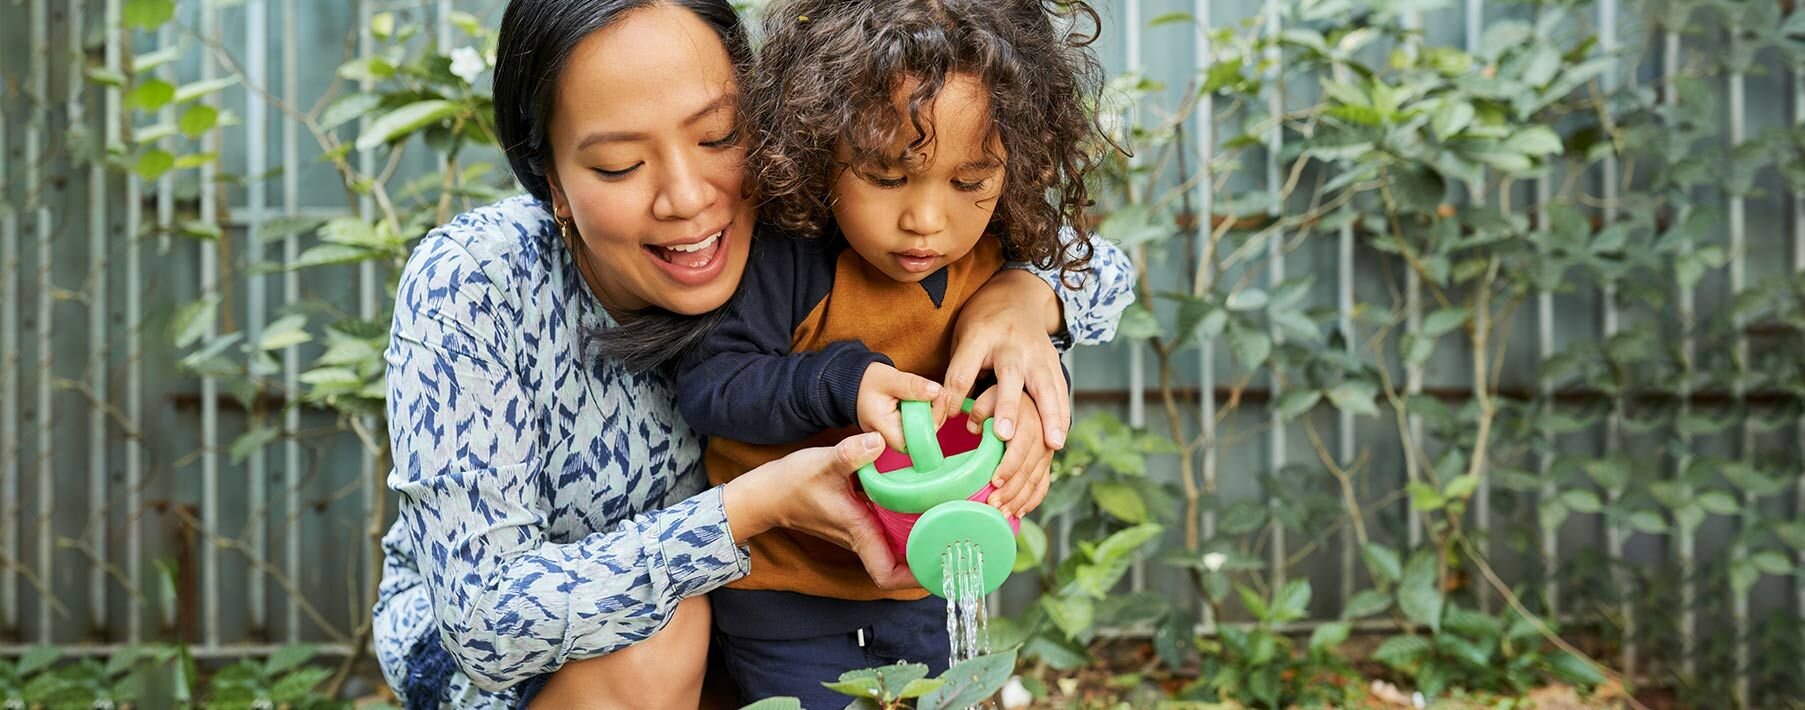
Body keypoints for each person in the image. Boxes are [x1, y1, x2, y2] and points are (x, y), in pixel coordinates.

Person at [369, 0, 1136, 707]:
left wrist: (1022, 304)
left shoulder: (819, 193)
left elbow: (1087, 262)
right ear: (551, 181)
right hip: (540, 666)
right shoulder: (479, 281)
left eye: (716, 136)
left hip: (769, 633)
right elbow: (486, 625)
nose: (686, 196)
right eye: (617, 166)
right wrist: (748, 510)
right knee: (664, 639)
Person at [670, 0, 1111, 704]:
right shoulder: (788, 261)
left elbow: (1081, 302)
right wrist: (841, 383)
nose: (925, 220)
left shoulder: (998, 260)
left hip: (930, 583)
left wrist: (1020, 415)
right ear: (818, 143)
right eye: (885, 176)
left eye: (969, 182)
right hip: (788, 597)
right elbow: (712, 386)